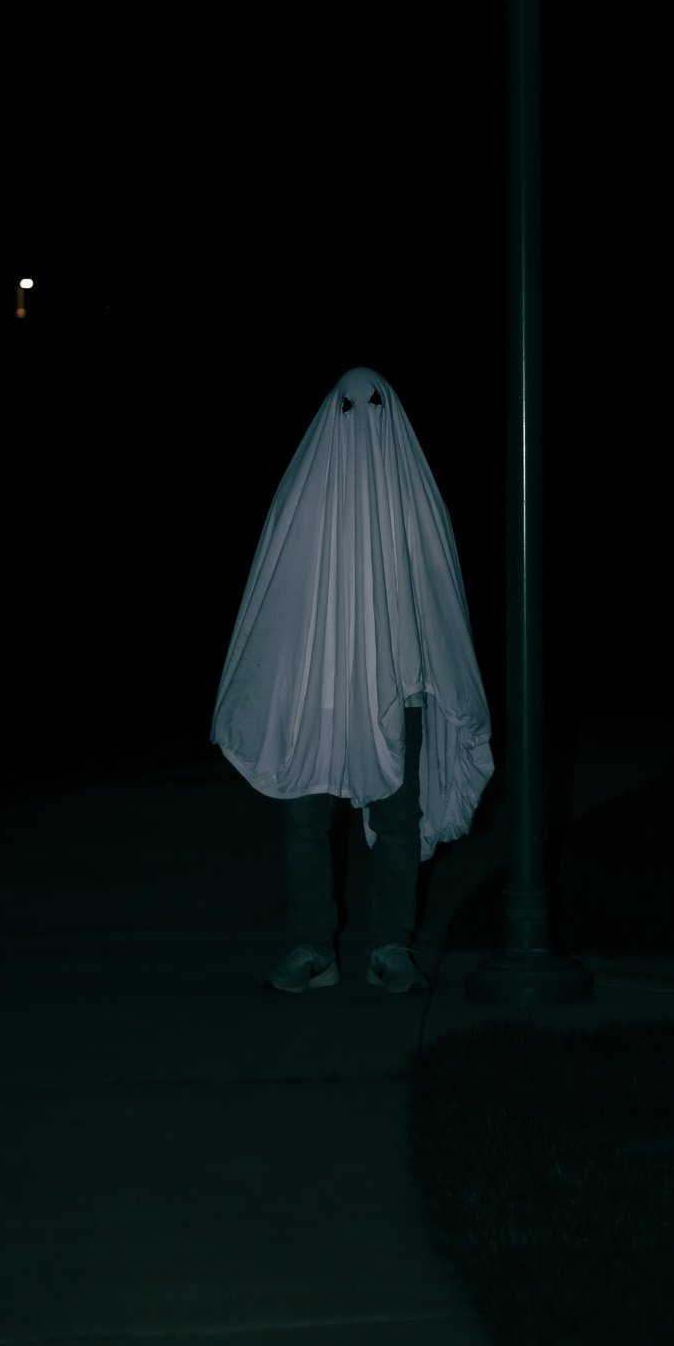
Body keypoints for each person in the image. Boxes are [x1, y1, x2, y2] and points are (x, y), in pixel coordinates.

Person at [211, 366, 494, 995]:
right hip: (315, 695)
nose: (360, 420)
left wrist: (429, 681)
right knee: (302, 822)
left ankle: (390, 946)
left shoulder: (412, 500)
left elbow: (437, 602)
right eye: (348, 409)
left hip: (398, 694)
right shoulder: (303, 496)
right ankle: (314, 947)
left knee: (397, 821)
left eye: (373, 407)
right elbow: (276, 600)